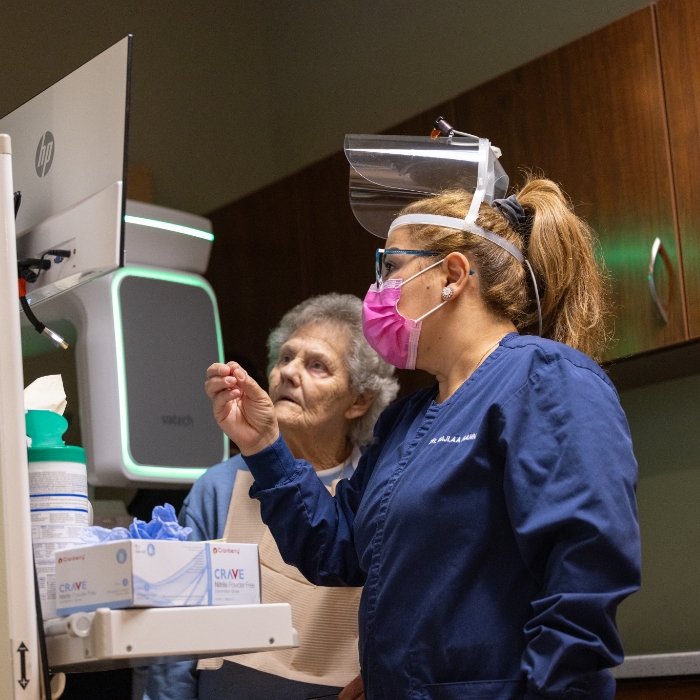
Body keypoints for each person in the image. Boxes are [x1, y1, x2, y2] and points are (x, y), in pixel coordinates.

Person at [205, 169, 641, 700]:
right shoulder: (403, 421)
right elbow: (338, 550)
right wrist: (264, 445)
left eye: (391, 268)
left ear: (453, 275)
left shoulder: (545, 382)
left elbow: (584, 580)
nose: (377, 290)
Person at [145, 293, 398, 700]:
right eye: (284, 358)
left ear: (360, 401)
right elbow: (173, 639)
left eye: (317, 365)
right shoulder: (219, 487)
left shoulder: (381, 490)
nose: (288, 373)